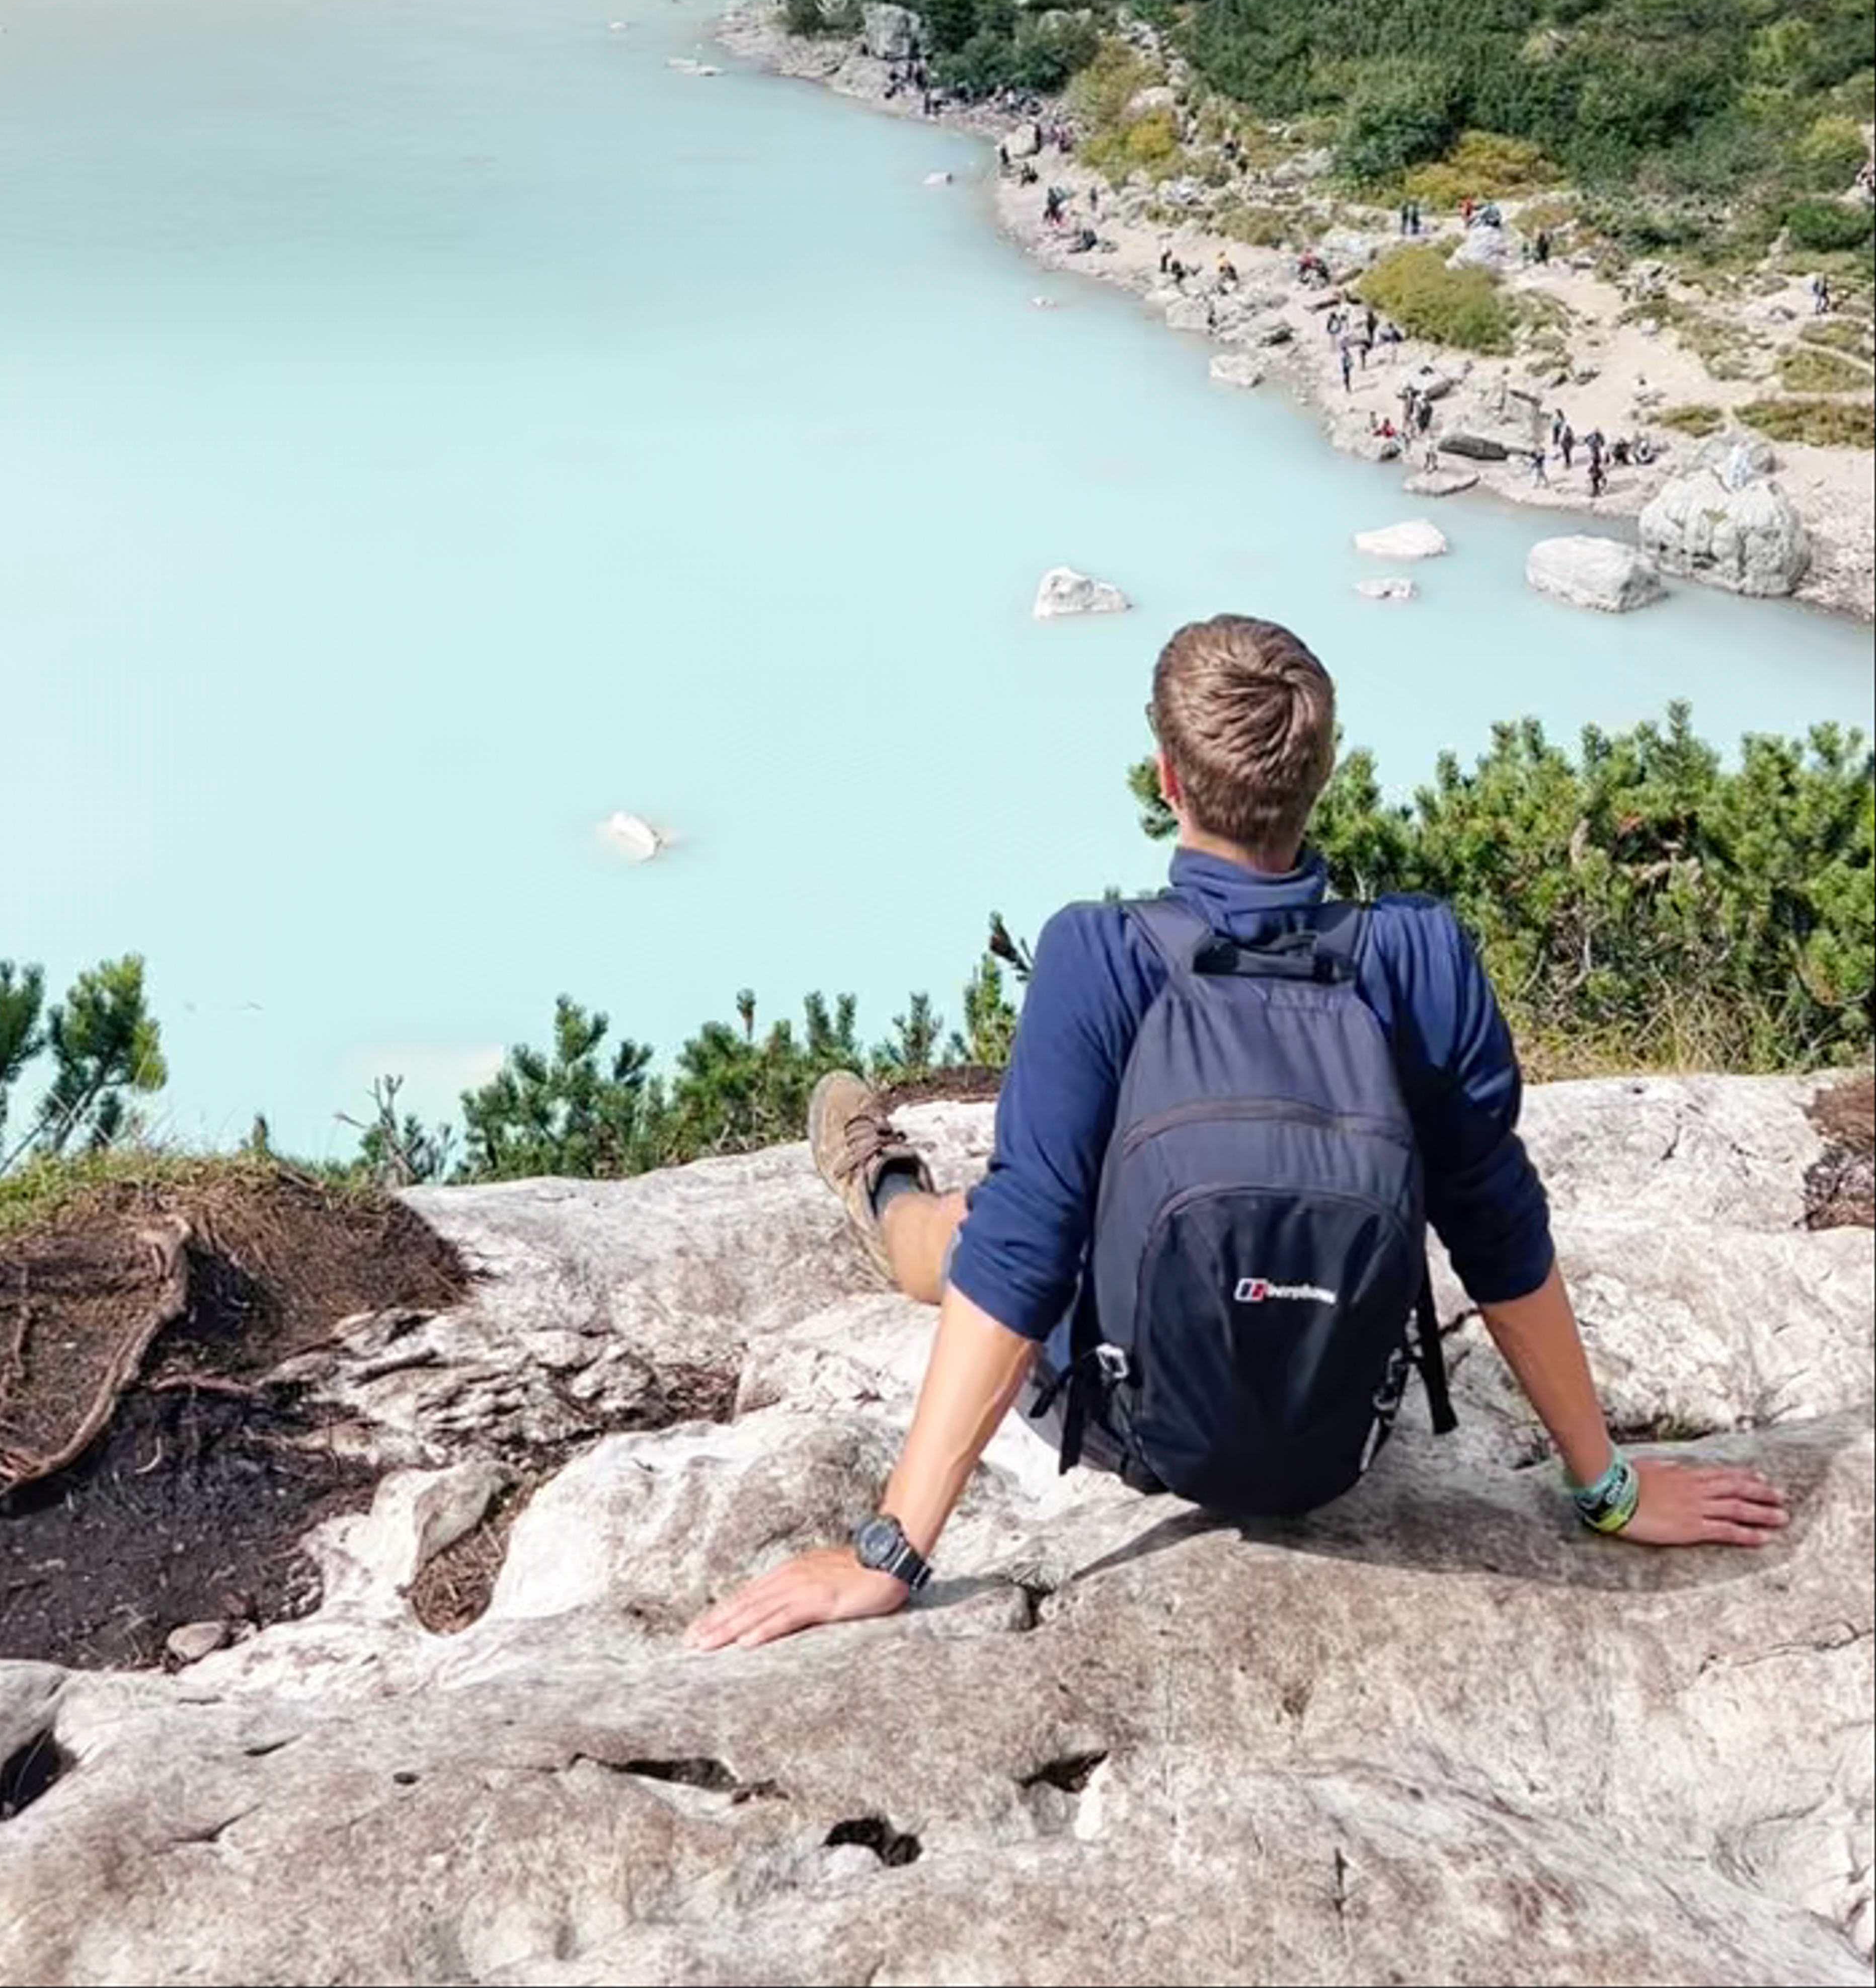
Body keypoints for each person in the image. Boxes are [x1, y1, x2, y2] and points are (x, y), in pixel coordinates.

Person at [690, 616, 1783, 1654]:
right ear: (1324, 775)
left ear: (1168, 781)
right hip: (1335, 1441)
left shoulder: (1097, 953)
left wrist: (892, 1553)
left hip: (1142, 1426)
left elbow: (1030, 1249)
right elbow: (1498, 1226)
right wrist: (1609, 1486)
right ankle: (896, 1196)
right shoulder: (1421, 956)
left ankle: (883, 1189)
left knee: (979, 1224)